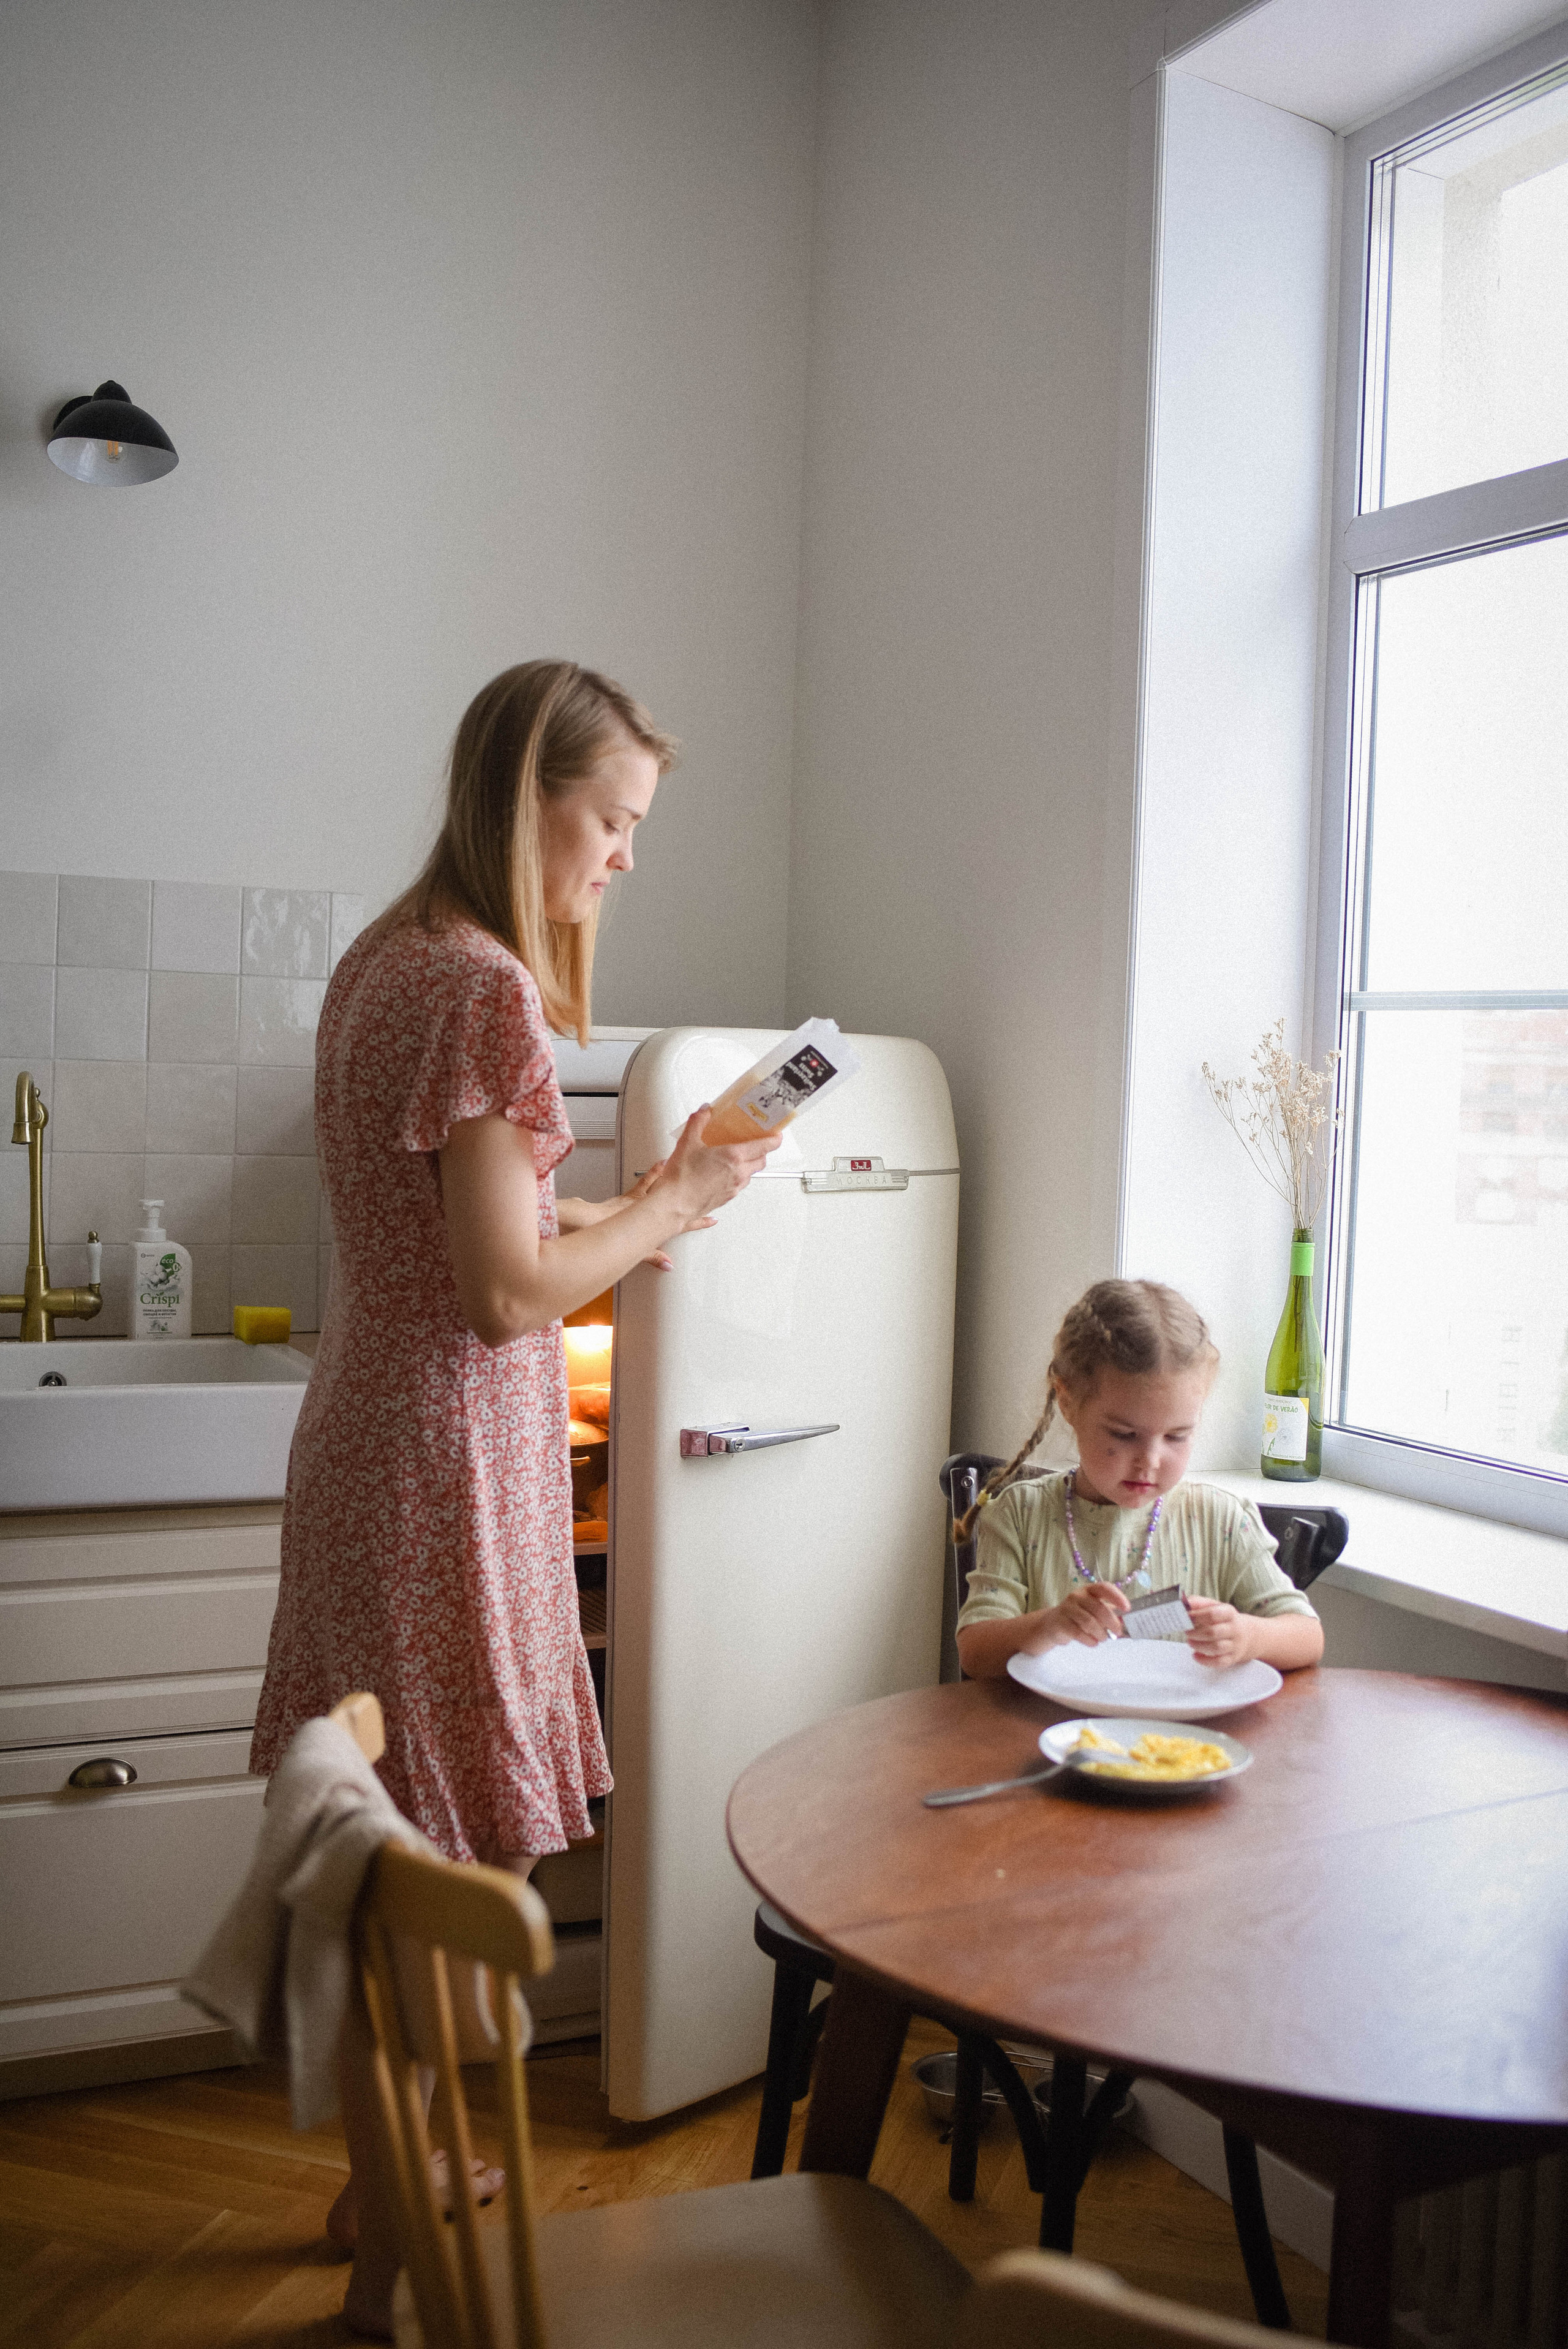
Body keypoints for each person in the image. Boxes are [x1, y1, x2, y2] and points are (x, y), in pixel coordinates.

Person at [248, 660, 778, 2332]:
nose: (624, 855)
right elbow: (497, 1289)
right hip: (443, 1466)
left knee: (367, 1829)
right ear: (524, 794)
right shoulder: (481, 988)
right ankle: (400, 2283)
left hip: (366, 1443)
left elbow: (469, 1243)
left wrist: (628, 1193)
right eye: (610, 819)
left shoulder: (377, 962)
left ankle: (371, 2182)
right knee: (450, 1862)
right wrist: (679, 1198)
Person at [955, 1279, 1324, 1679]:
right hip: (1050, 1736)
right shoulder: (1020, 1515)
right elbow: (975, 1652)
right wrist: (1049, 1625)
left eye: (1177, 1436)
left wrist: (1249, 1637)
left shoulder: (1222, 1522)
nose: (1149, 1461)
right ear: (1068, 1403)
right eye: (1124, 1435)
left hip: (1181, 1740)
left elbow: (1307, 1637)